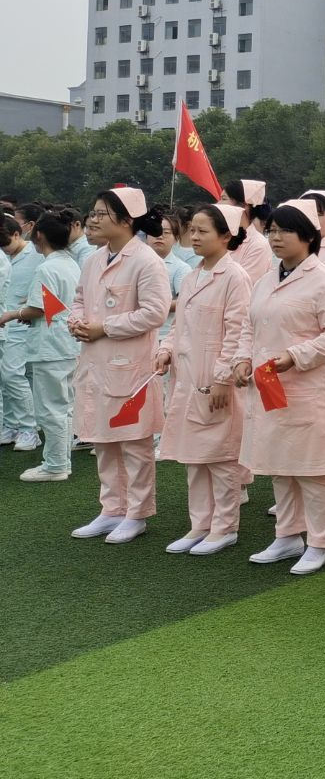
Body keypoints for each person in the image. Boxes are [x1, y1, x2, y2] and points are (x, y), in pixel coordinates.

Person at [233, 199, 325, 575]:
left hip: (308, 388)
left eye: (285, 231)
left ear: (308, 236)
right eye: (271, 230)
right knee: (280, 464)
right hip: (270, 388)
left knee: (314, 470)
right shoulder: (267, 280)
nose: (276, 237)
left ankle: (321, 542)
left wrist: (295, 356)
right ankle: (287, 535)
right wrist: (241, 358)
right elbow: (249, 326)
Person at [68, 187, 172, 543]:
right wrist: (76, 321)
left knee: (133, 442)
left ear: (126, 220)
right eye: (93, 213)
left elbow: (154, 313)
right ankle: (112, 508)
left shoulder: (146, 261)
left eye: (101, 214)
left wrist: (105, 327)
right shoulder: (94, 259)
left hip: (130, 365)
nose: (92, 220)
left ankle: (137, 513)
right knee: (103, 439)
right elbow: (79, 299)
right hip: (95, 362)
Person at [154, 204, 254, 555]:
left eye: (202, 231)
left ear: (226, 236)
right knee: (194, 456)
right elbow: (179, 325)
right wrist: (166, 348)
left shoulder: (235, 277)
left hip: (214, 380)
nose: (193, 237)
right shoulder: (192, 276)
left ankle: (224, 527)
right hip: (188, 378)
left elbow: (238, 331)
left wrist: (223, 378)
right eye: (192, 230)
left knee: (221, 457)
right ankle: (200, 524)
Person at [11, 212, 81, 481]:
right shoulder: (69, 263)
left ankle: (55, 465)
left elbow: (38, 309)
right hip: (67, 342)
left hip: (51, 345)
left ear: (39, 235)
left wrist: (11, 314)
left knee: (51, 408)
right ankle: (60, 460)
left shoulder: (47, 267)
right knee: (64, 406)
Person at [0, 215, 42, 451]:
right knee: (4, 378)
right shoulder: (4, 255)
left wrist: (34, 297)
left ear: (17, 234)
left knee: (13, 375)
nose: (4, 247)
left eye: (6, 242)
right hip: (5, 323)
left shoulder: (36, 254)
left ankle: (29, 428)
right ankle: (10, 424)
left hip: (21, 322)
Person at [148, 210, 193, 341]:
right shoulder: (134, 263)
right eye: (154, 231)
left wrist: (152, 307)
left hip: (163, 336)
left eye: (166, 232)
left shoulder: (181, 268)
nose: (159, 236)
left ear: (176, 238)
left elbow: (184, 302)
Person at [220, 180, 274, 283]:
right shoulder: (220, 237)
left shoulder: (258, 245)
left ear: (244, 206)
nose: (218, 204)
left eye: (224, 199)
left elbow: (244, 284)